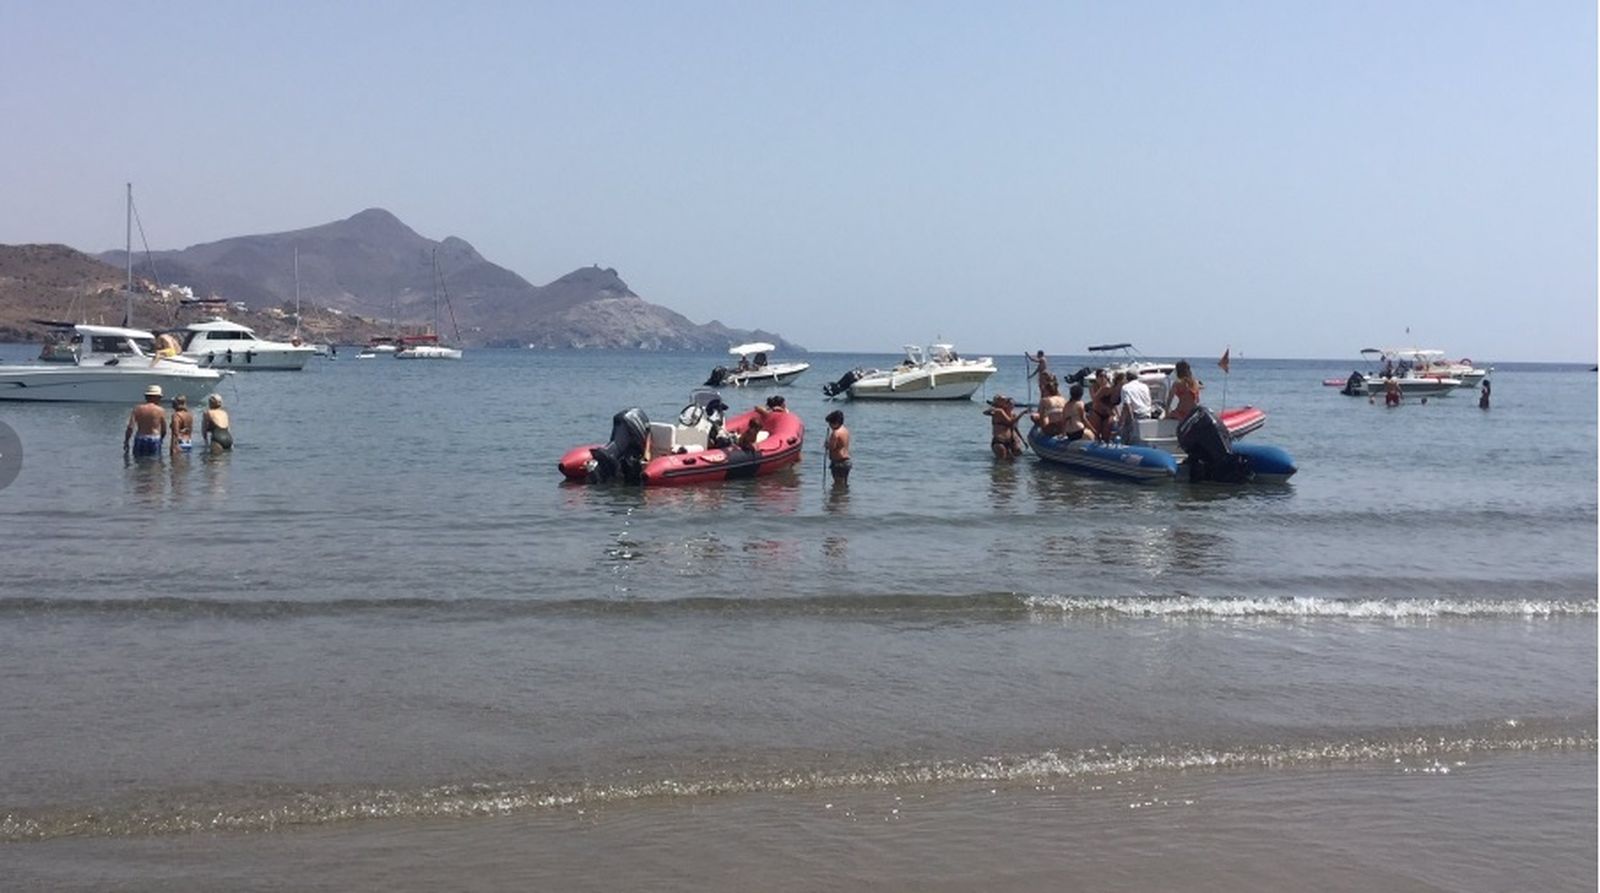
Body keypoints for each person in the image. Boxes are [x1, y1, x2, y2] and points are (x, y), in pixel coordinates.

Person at [124, 384, 167, 457]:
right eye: (159, 397)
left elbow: (130, 427)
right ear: (156, 397)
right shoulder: (160, 410)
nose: (160, 399)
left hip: (140, 438)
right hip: (154, 438)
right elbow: (164, 430)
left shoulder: (137, 409)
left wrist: (126, 441)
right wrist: (161, 439)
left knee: (138, 462)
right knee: (155, 463)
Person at [984, 394, 1025, 459]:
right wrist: (1022, 414)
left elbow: (1015, 428)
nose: (1011, 406)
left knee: (1014, 462)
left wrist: (1022, 439)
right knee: (1002, 463)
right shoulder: (998, 411)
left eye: (1012, 405)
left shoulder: (1013, 415)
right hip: (1000, 440)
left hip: (1011, 440)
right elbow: (1010, 422)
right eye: (1003, 400)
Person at [1118, 372, 1153, 443]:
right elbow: (1149, 401)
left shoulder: (1125, 387)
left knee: (1125, 438)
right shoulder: (1144, 386)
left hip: (1135, 415)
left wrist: (1122, 421)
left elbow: (1127, 406)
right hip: (1147, 414)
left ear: (1127, 378)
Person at [1089, 370, 1117, 443]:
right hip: (1097, 412)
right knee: (1096, 434)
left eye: (1105, 376)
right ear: (1097, 378)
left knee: (1106, 436)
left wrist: (1116, 412)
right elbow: (1094, 399)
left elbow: (1114, 401)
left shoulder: (1110, 387)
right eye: (1101, 376)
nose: (1103, 378)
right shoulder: (1093, 387)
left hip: (1108, 414)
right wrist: (1102, 390)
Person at [824, 409, 851, 481]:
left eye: (830, 423)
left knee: (838, 484)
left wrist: (827, 445)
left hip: (838, 463)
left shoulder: (835, 433)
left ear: (836, 423)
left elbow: (832, 447)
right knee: (844, 484)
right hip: (846, 461)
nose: (830, 426)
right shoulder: (845, 430)